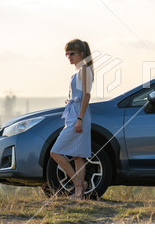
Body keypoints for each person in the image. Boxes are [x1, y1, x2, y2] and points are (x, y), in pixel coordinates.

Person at [50, 39, 94, 199]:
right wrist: (71, 101)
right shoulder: (77, 71)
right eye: (67, 54)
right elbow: (79, 95)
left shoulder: (84, 70)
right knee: (77, 155)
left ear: (81, 53)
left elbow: (87, 96)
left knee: (55, 152)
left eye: (72, 53)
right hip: (73, 112)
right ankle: (79, 193)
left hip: (79, 115)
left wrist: (80, 119)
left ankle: (78, 182)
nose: (68, 56)